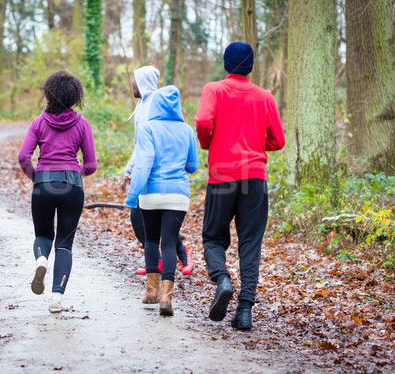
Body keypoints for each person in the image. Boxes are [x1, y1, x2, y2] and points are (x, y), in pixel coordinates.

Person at [194, 42, 285, 330]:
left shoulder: (214, 90)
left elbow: (202, 120)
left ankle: (222, 279)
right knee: (250, 243)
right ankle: (244, 311)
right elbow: (278, 141)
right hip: (255, 179)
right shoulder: (265, 96)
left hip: (222, 174)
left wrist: (209, 142)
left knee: (213, 238)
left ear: (226, 64)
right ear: (251, 66)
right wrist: (259, 143)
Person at [18, 70, 96, 313]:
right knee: (64, 243)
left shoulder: (38, 122)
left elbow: (23, 157)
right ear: (75, 97)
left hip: (43, 184)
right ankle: (56, 299)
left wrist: (36, 176)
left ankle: (41, 259)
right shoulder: (82, 124)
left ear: (49, 94)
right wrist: (76, 173)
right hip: (71, 185)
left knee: (43, 235)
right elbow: (91, 165)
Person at [125, 85, 198, 316]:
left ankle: (151, 292)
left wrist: (132, 194)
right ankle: (167, 298)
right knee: (168, 244)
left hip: (150, 194)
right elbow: (193, 166)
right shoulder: (187, 130)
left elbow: (144, 162)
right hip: (178, 194)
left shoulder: (147, 128)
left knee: (151, 240)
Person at [121, 66, 195, 276]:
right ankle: (159, 261)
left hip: (151, 173)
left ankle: (179, 256)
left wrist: (130, 172)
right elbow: (139, 143)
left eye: (134, 80)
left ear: (142, 82)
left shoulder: (153, 104)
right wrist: (130, 170)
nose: (132, 84)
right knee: (148, 222)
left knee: (144, 219)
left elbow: (145, 145)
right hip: (147, 171)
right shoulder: (142, 104)